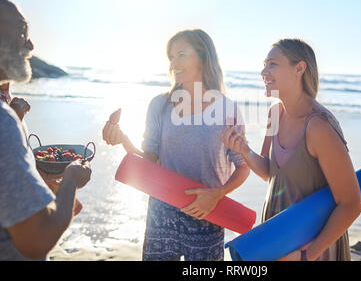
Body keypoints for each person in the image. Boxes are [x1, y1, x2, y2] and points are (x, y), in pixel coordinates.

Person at [102, 29, 250, 261]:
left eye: (181, 54)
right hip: (161, 214)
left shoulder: (226, 109)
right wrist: (123, 140)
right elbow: (150, 162)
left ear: (203, 57)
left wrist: (217, 194)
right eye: (171, 56)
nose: (173, 63)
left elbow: (243, 166)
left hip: (208, 215)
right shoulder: (160, 105)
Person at [222, 38, 361, 261]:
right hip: (278, 236)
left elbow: (351, 203)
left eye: (272, 64)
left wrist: (306, 255)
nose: (263, 71)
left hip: (313, 247)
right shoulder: (275, 114)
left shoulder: (319, 127)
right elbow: (272, 174)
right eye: (264, 64)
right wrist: (244, 151)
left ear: (299, 68)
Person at [0, 0, 91, 260]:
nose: (30, 45)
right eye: (21, 31)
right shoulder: (4, 121)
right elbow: (38, 239)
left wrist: (33, 174)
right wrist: (71, 179)